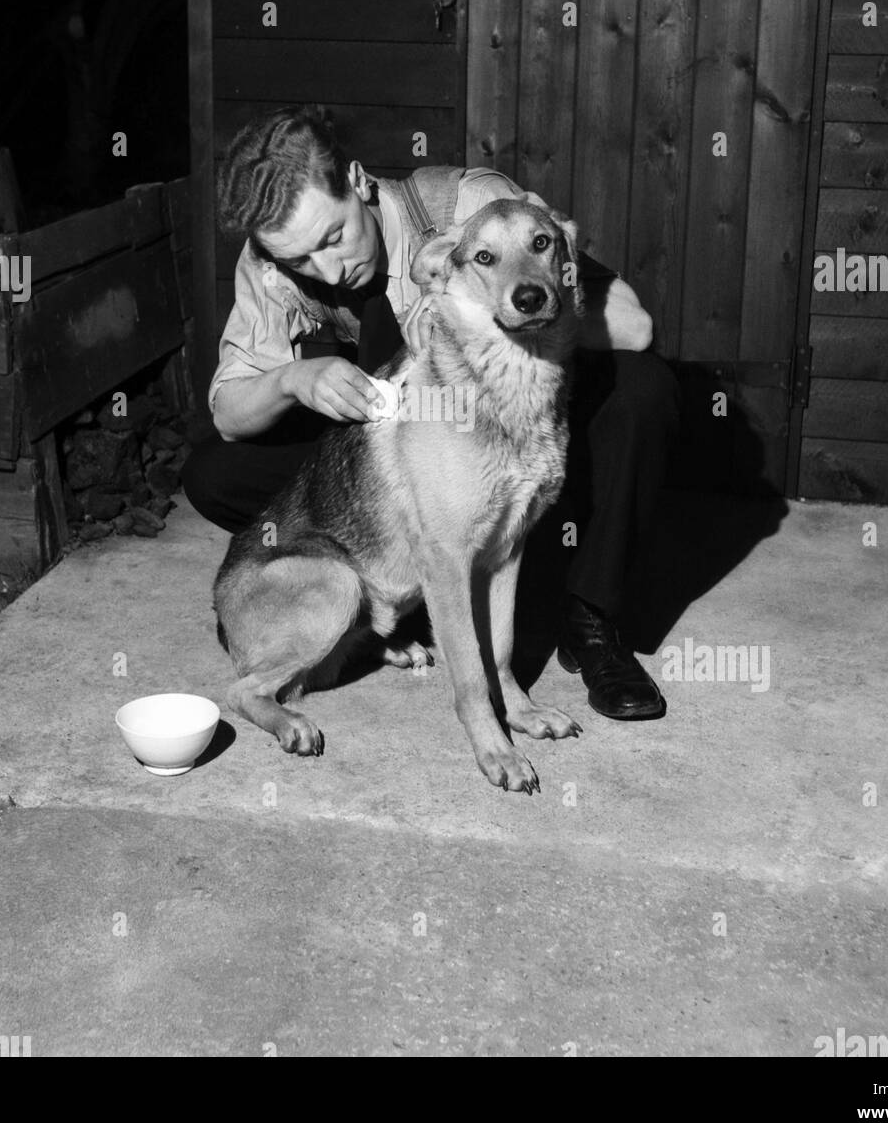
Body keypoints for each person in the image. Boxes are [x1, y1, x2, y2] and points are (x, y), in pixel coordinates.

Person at [183, 105, 681, 721]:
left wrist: (491, 312)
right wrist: (296, 378)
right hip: (381, 437)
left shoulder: (470, 207)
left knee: (643, 389)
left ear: (358, 185)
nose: (329, 270)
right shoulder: (271, 253)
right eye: (302, 261)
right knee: (212, 470)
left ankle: (588, 614)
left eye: (335, 237)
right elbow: (229, 412)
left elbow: (635, 326)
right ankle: (397, 581)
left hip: (496, 410)